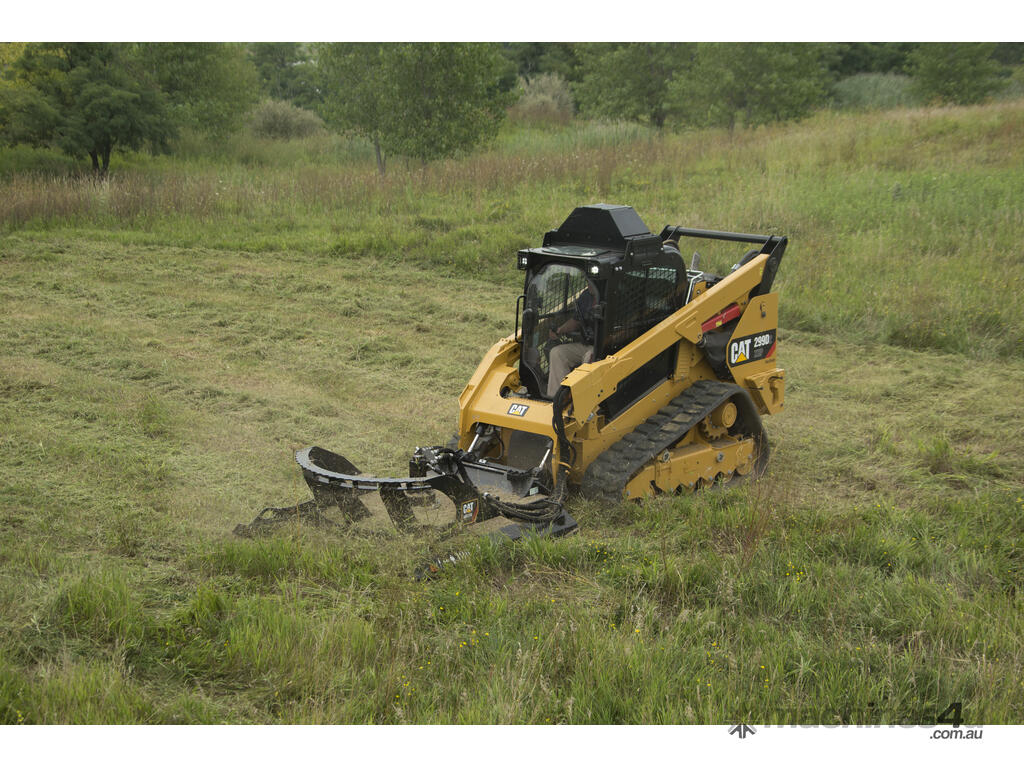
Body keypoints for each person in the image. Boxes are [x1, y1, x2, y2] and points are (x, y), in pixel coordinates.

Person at [546, 282, 598, 398]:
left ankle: (581, 400)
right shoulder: (586, 296)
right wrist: (559, 331)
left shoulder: (613, 296)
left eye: (591, 281)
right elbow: (576, 321)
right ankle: (557, 398)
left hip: (606, 347)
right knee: (557, 352)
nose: (588, 283)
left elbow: (623, 332)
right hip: (585, 344)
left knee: (590, 357)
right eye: (588, 280)